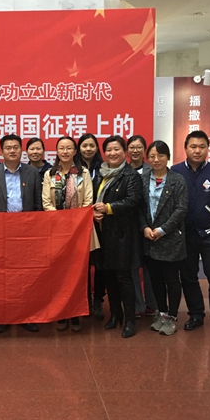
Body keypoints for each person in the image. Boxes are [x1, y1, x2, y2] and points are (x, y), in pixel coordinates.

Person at [171, 130, 210, 337]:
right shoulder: (175, 171)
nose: (197, 151)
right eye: (193, 146)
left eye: (202, 147)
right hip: (185, 234)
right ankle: (196, 314)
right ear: (185, 148)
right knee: (188, 276)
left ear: (208, 149)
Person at [0, 134, 42, 334]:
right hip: (1, 232)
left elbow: (38, 206)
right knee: (3, 276)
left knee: (26, 276)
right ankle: (4, 316)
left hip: (26, 232)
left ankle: (26, 315)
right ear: (1, 151)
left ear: (21, 150)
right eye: (8, 147)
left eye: (16, 147)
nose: (12, 151)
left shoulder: (32, 173)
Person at [92, 135, 142, 338]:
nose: (112, 153)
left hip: (123, 235)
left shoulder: (131, 175)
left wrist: (108, 208)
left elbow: (133, 201)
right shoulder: (101, 174)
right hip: (103, 233)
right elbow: (94, 200)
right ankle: (115, 315)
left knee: (124, 278)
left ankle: (130, 320)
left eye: (117, 149)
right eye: (109, 150)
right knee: (109, 277)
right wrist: (94, 212)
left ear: (124, 152)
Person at [42, 136, 93, 333]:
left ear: (74, 151)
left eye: (69, 148)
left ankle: (76, 313)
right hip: (57, 231)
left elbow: (88, 201)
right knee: (59, 272)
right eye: (61, 148)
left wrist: (75, 222)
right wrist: (62, 222)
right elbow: (46, 203)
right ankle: (61, 313)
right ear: (56, 151)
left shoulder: (83, 173)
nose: (65, 152)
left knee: (78, 272)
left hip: (79, 231)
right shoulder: (50, 174)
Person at [139, 141, 188, 336]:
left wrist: (161, 230)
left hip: (170, 239)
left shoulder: (178, 180)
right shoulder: (143, 179)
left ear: (168, 157)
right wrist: (144, 227)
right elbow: (139, 208)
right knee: (155, 279)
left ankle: (172, 317)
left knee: (171, 279)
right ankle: (161, 313)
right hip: (149, 239)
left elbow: (181, 210)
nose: (156, 159)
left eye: (160, 155)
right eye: (152, 156)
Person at [126, 134, 158, 319]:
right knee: (132, 267)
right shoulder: (123, 171)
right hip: (129, 226)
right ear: (127, 150)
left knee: (149, 267)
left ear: (144, 150)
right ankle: (138, 305)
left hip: (149, 226)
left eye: (139, 147)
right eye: (132, 147)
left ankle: (152, 304)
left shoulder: (153, 170)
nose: (135, 150)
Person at [77, 133, 106, 319]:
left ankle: (98, 300)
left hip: (101, 221)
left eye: (91, 145)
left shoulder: (104, 168)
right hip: (80, 223)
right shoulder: (74, 169)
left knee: (101, 263)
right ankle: (85, 299)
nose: (88, 149)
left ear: (96, 148)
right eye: (84, 145)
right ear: (78, 148)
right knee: (83, 264)